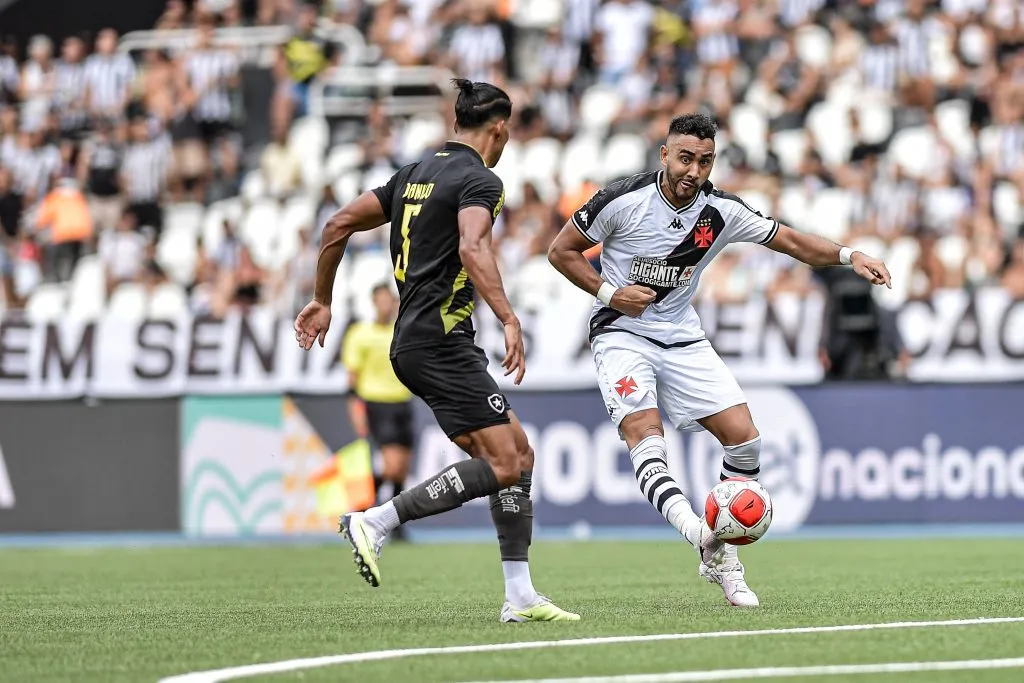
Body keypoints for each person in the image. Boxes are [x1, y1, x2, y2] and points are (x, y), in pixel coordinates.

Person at [547, 113, 892, 608]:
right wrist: (609, 292)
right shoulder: (622, 200)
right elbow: (561, 252)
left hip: (682, 337)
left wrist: (848, 255)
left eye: (704, 161)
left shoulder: (721, 211)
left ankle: (721, 551)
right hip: (622, 332)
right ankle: (705, 542)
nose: (693, 170)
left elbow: (790, 241)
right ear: (664, 154)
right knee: (646, 435)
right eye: (685, 158)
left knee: (746, 440)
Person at [294, 79, 578, 623]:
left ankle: (519, 595)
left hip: (418, 340)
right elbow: (473, 245)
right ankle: (375, 521)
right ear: (500, 128)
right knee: (503, 463)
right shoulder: (480, 180)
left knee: (518, 456)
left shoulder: (414, 175)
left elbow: (337, 224)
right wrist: (508, 317)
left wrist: (320, 299)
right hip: (440, 342)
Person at [341, 283, 416, 540]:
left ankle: (395, 526)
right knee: (392, 466)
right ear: (374, 302)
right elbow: (352, 379)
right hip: (377, 402)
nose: (386, 304)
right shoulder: (360, 334)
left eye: (389, 300)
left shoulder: (402, 331)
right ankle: (361, 511)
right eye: (382, 300)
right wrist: (356, 410)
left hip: (402, 402)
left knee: (403, 468)